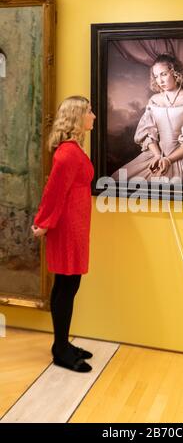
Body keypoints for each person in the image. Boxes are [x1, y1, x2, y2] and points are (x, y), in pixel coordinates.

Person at [31, 96, 96, 373]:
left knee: (69, 285)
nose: (93, 115)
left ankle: (63, 344)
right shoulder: (68, 153)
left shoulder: (72, 150)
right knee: (66, 287)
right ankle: (60, 349)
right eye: (89, 111)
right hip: (67, 227)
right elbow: (54, 191)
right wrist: (43, 222)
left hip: (75, 225)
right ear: (78, 117)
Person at [112, 53, 183, 184]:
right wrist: (158, 155)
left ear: (175, 72)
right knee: (119, 181)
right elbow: (148, 134)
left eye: (163, 74)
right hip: (156, 155)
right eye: (156, 76)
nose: (160, 80)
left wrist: (168, 160)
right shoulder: (154, 100)